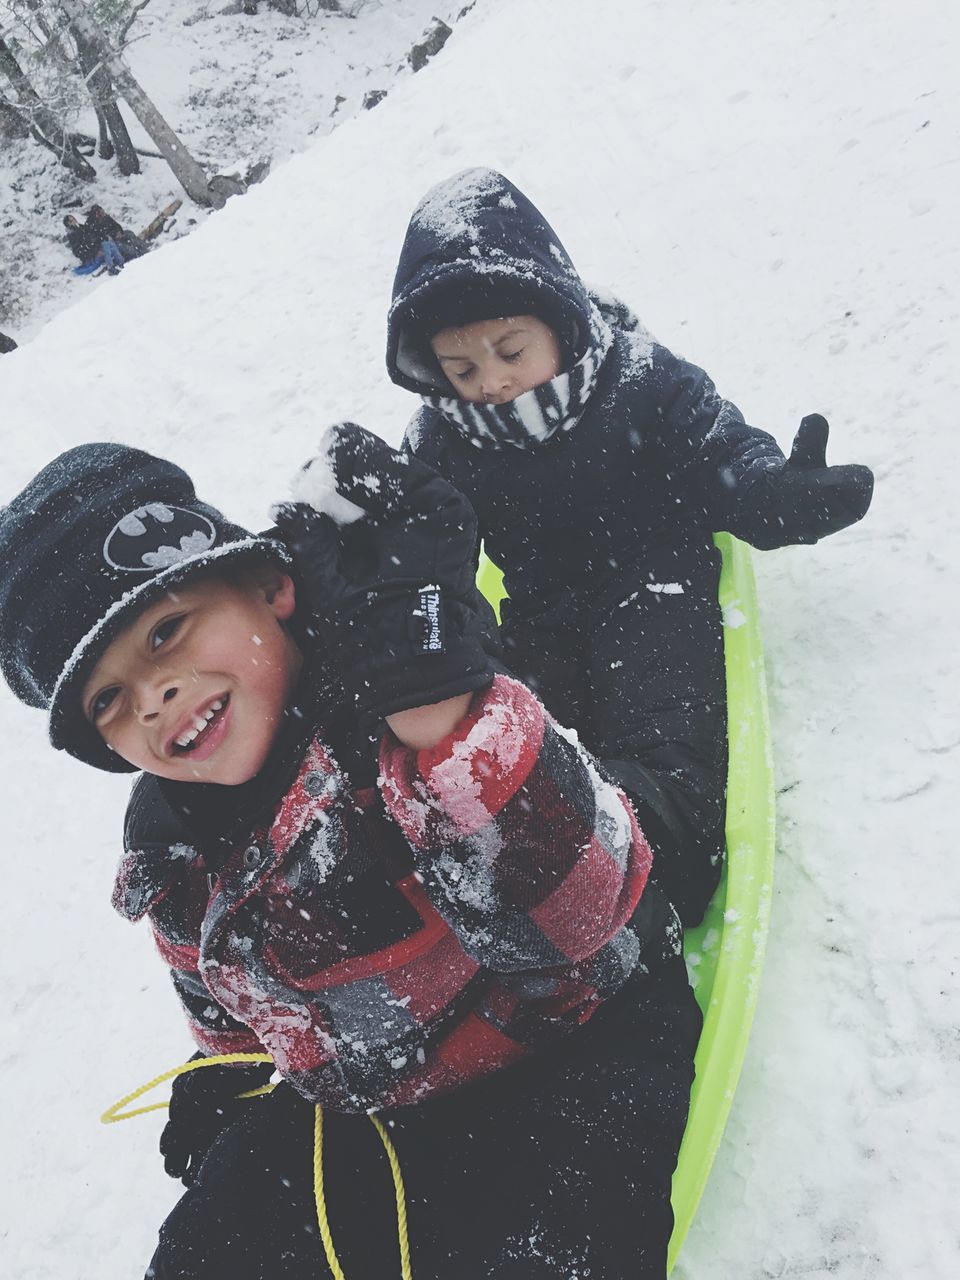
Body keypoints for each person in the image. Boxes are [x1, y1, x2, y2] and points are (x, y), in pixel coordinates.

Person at [0, 429, 700, 1279]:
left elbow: (580, 916)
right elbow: (219, 989)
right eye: (110, 699)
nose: (155, 698)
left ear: (267, 586)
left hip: (562, 1042)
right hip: (372, 1097)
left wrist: (438, 715)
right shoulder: (174, 854)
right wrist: (225, 1071)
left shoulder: (394, 714)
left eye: (166, 634)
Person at [387, 167, 875, 927]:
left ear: (561, 320)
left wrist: (776, 496)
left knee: (665, 737)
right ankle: (535, 874)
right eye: (462, 369)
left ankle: (658, 862)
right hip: (543, 617)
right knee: (521, 744)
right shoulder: (443, 439)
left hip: (656, 592)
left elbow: (722, 454)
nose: (491, 382)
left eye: (511, 351)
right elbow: (414, 542)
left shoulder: (640, 382)